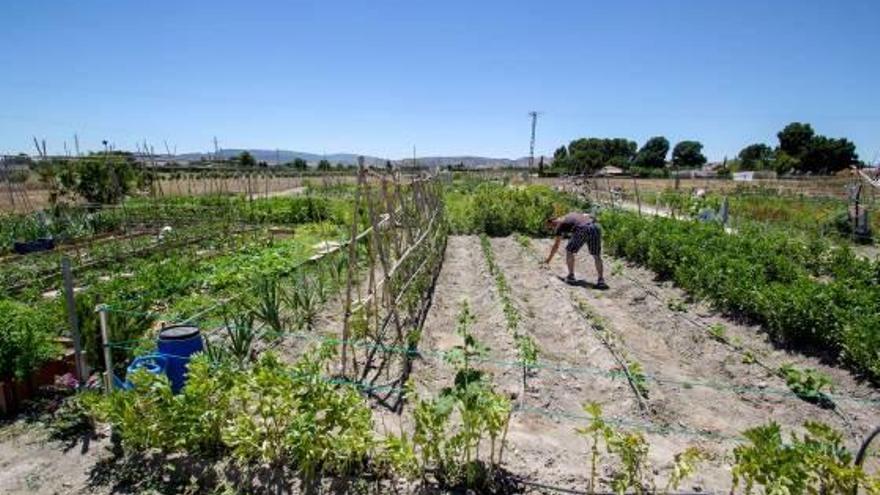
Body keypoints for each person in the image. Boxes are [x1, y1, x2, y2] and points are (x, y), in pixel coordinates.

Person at [544, 212, 607, 289]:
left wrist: (548, 260)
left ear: (553, 221)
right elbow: (587, 215)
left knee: (569, 251)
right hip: (595, 228)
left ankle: (571, 276)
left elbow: (556, 245)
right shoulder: (571, 214)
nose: (553, 228)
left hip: (583, 229)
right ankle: (601, 280)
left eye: (551, 227)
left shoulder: (559, 225)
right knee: (596, 255)